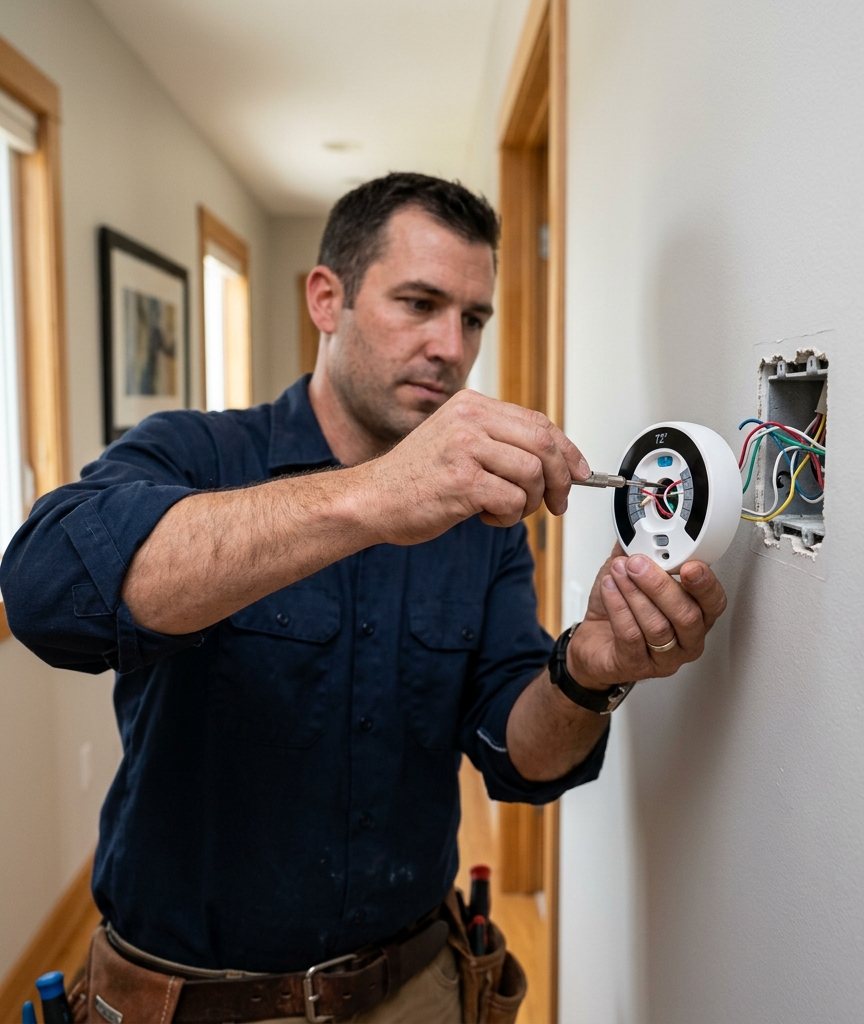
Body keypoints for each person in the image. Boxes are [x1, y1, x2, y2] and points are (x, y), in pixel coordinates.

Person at [0, 173, 727, 1023]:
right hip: (184, 999)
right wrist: (369, 497)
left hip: (417, 984)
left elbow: (516, 754)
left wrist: (588, 673)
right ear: (325, 298)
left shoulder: (487, 524)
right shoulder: (195, 453)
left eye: (473, 317)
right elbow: (46, 589)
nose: (451, 347)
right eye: (418, 303)